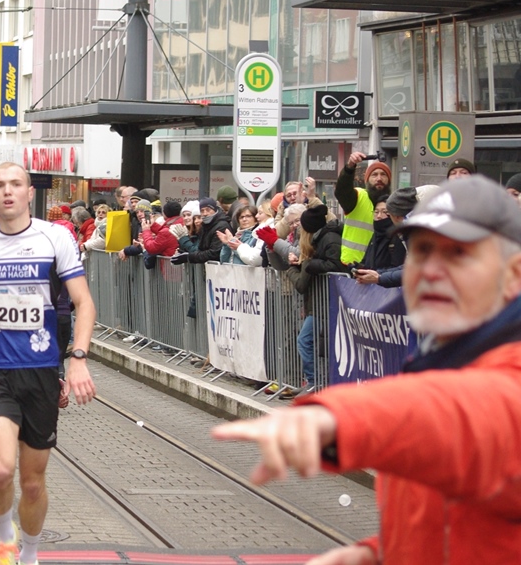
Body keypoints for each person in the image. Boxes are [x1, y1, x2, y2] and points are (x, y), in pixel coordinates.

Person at [213, 175, 521, 564]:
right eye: (423, 251)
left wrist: (339, 422)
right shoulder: (439, 363)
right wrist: (378, 554)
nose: (431, 270)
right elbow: (456, 522)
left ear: (514, 274)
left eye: (458, 255)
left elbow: (471, 419)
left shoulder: (495, 380)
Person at [0, 162, 97, 565]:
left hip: (41, 372)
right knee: (1, 471)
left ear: (30, 192)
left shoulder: (55, 238)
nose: (8, 191)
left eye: (16, 184)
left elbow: (84, 302)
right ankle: (4, 540)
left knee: (32, 483)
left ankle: (30, 555)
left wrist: (79, 360)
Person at [285, 204, 346, 394]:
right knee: (312, 343)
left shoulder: (329, 238)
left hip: (326, 303)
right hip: (319, 304)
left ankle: (315, 383)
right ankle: (315, 382)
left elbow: (336, 265)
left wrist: (305, 266)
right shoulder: (321, 239)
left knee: (306, 341)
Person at [335, 152, 392, 265]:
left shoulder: (393, 204)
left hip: (380, 269)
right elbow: (342, 190)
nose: (379, 178)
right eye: (374, 175)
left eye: (383, 174)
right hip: (352, 267)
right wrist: (350, 167)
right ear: (367, 180)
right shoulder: (358, 197)